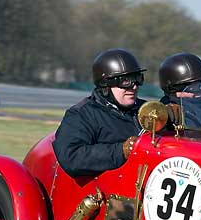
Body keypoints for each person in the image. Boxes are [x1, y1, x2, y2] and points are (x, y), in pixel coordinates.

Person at [53, 49, 147, 178]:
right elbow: (71, 157)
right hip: (105, 193)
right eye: (126, 81)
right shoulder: (82, 115)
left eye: (137, 79)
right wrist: (122, 151)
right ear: (105, 85)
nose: (134, 86)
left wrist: (173, 115)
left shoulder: (146, 110)